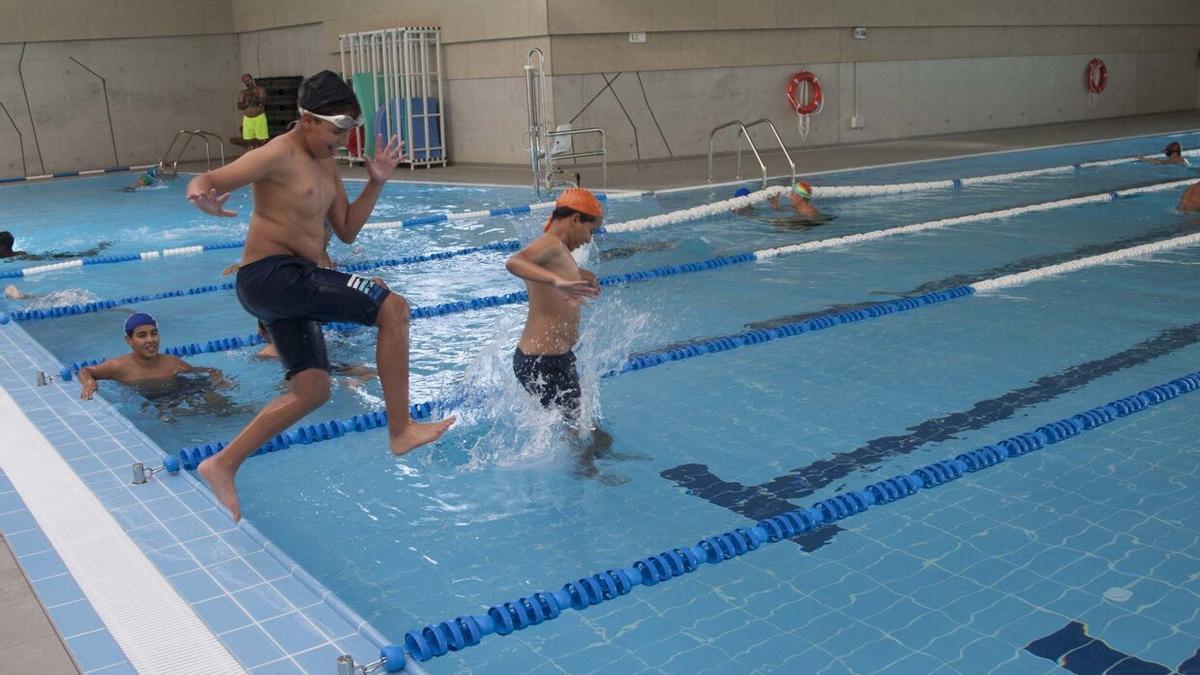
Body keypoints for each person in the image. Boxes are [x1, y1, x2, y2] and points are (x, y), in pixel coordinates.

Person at [186, 69, 453, 521]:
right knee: (393, 307)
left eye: (348, 133)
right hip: (269, 275)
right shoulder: (277, 153)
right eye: (336, 131)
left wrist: (377, 181)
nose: (341, 143)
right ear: (307, 119)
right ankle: (400, 429)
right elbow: (209, 178)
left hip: (292, 280)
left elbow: (346, 230)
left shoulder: (326, 161)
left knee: (312, 390)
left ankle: (222, 464)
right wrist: (202, 196)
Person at [506, 187, 616, 478]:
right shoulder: (551, 244)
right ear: (576, 219)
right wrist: (559, 281)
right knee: (574, 433)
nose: (588, 239)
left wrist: (580, 277)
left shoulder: (561, 253)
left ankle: (593, 462)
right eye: (589, 231)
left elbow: (559, 279)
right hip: (540, 362)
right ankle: (588, 477)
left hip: (558, 359)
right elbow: (514, 262)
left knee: (592, 432)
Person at [77, 313, 226, 400]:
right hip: (152, 403)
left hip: (179, 395)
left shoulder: (172, 363)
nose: (150, 340)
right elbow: (85, 370)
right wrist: (89, 382)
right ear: (129, 340)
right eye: (142, 335)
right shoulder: (118, 367)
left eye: (154, 333)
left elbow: (208, 372)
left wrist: (218, 380)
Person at [0, 231, 110, 261]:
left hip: (44, 257)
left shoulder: (21, 256)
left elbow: (46, 258)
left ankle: (91, 252)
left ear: (3, 247)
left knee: (61, 256)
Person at [238, 74, 269, 149]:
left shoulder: (260, 89)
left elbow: (264, 101)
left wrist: (254, 98)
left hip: (259, 117)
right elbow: (239, 106)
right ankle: (251, 153)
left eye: (248, 80)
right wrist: (246, 103)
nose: (247, 83)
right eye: (245, 81)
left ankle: (263, 155)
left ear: (252, 79)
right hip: (247, 119)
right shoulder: (243, 92)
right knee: (248, 140)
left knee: (263, 140)